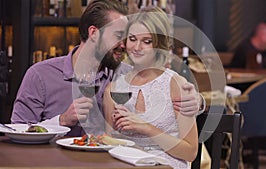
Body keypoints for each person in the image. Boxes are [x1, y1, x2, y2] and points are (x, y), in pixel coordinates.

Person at [11, 0, 203, 136]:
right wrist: (61, 121)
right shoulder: (40, 75)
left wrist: (197, 101)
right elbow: (16, 132)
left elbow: (162, 89)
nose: (125, 44)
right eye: (119, 35)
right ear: (94, 33)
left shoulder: (126, 74)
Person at [103, 7, 198, 169]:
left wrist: (146, 128)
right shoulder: (112, 90)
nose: (137, 47)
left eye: (146, 41)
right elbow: (110, 143)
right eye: (132, 39)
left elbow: (190, 152)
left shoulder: (176, 85)